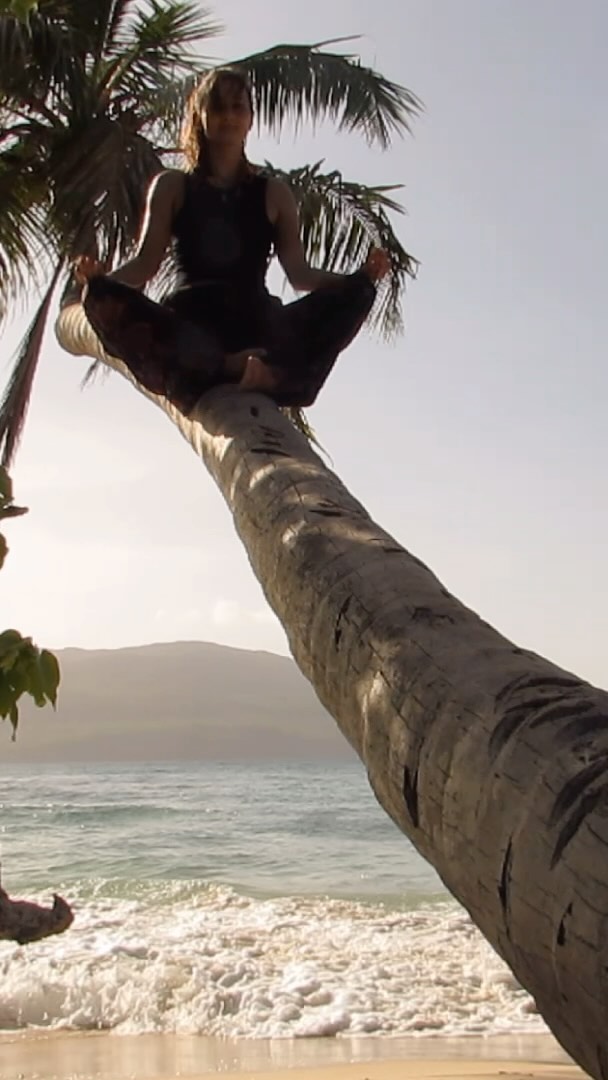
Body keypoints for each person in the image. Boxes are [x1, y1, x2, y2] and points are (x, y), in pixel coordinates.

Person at [72, 67, 391, 414]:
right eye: (218, 108)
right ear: (201, 116)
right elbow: (145, 263)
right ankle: (228, 365)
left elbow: (299, 274)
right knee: (103, 297)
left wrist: (358, 279)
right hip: (193, 325)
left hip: (256, 320)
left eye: (238, 108)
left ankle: (266, 373)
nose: (228, 117)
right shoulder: (172, 186)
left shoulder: (274, 193)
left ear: (251, 118)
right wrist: (100, 281)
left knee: (357, 294)